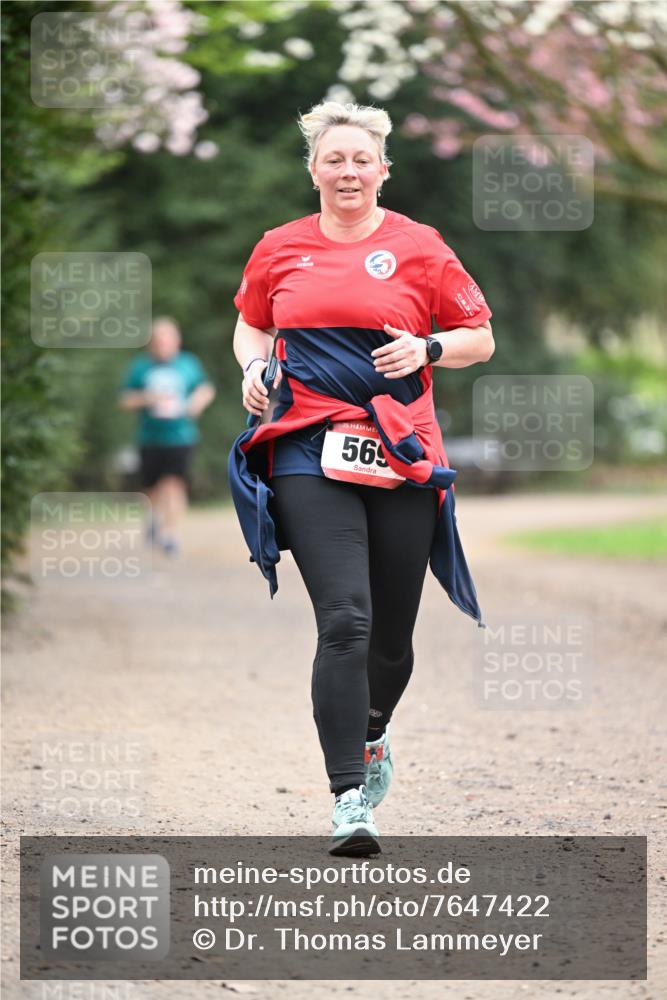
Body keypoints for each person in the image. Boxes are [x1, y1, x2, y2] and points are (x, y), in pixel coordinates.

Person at [228, 102, 494, 856]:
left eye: (361, 159)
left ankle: (370, 734)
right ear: (313, 169)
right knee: (344, 618)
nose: (347, 171)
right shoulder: (280, 248)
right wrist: (255, 365)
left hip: (401, 449)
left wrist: (427, 349)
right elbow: (252, 321)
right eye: (333, 158)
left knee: (391, 638)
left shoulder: (420, 246)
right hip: (306, 445)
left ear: (382, 169)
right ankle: (348, 797)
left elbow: (481, 336)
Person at [118, 317, 215, 555]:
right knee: (150, 488)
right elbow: (124, 400)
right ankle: (153, 519)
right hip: (149, 437)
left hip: (181, 437)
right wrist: (148, 398)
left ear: (177, 340)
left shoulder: (188, 364)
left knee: (174, 484)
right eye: (158, 340)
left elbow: (206, 388)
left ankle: (171, 535)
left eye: (167, 339)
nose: (162, 344)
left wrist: (196, 403)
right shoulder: (140, 366)